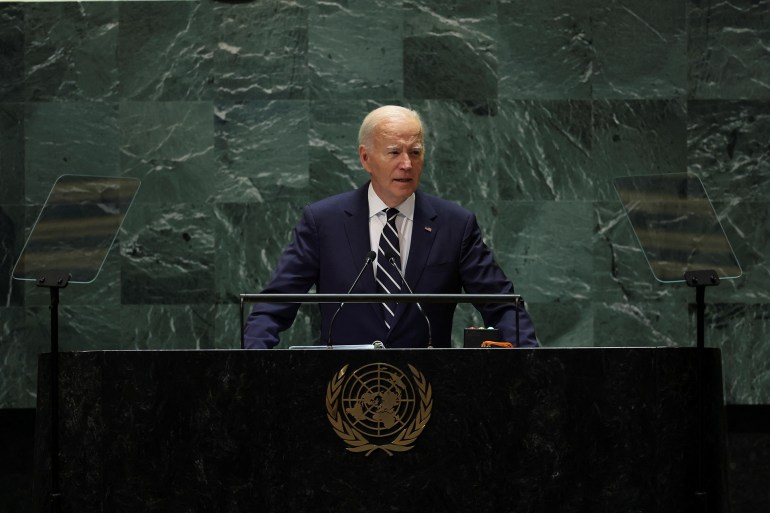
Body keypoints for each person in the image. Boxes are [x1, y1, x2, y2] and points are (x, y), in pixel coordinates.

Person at [243, 105, 537, 349]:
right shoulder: (323, 222)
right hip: (342, 392)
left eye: (416, 152)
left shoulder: (455, 225)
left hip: (428, 393)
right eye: (394, 152)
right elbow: (273, 306)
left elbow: (503, 306)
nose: (407, 164)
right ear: (365, 158)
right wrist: (247, 366)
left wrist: (536, 363)